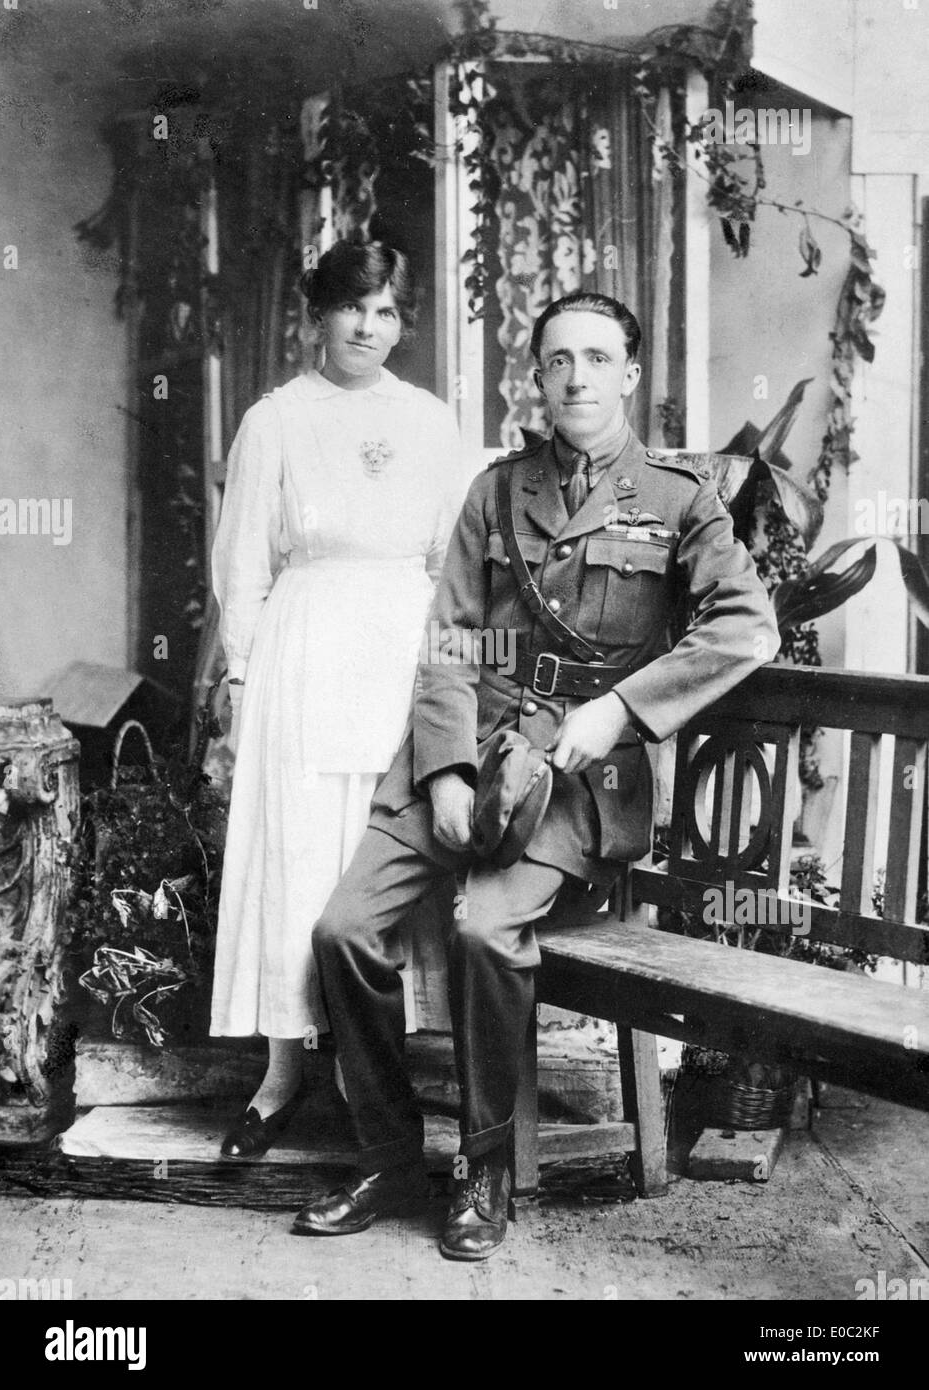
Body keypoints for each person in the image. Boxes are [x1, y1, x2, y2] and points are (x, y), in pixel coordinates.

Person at [292, 290, 781, 1260]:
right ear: (538, 376)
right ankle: (390, 1154)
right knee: (342, 930)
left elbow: (746, 625)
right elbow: (448, 640)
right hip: (470, 744)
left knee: (482, 925)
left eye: (597, 360)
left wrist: (620, 711)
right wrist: (441, 771)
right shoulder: (495, 490)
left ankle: (484, 1169)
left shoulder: (680, 500)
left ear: (629, 375)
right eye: (558, 361)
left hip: (576, 779)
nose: (576, 379)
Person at [209, 240, 464, 1159]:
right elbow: (241, 568)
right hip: (303, 653)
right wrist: (242, 685)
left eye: (389, 310)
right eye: (355, 306)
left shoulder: (433, 422)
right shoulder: (275, 420)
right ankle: (283, 1072)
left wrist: (448, 686)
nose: (370, 326)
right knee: (300, 856)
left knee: (381, 853)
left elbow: (453, 566)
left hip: (401, 654)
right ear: (317, 314)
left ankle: (374, 1077)